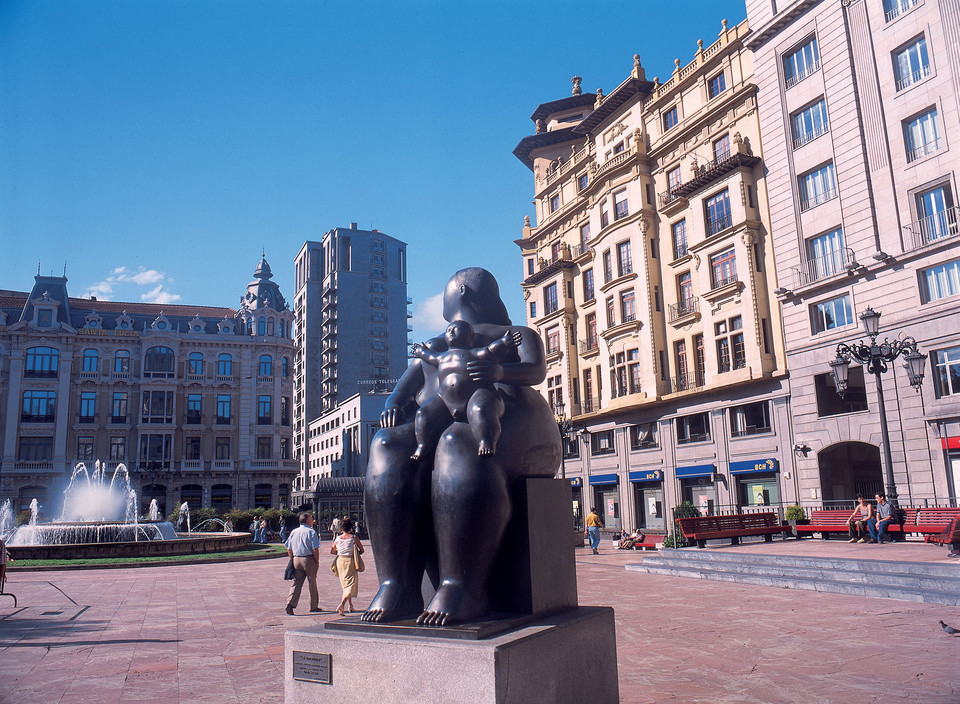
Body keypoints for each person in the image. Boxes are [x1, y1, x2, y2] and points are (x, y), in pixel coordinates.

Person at [362, 268, 561, 627]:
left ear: (463, 292)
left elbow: (536, 371)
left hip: (508, 419)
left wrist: (501, 373)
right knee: (387, 444)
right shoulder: (437, 345)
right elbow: (404, 387)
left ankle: (463, 586)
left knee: (460, 439)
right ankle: (397, 585)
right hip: (439, 419)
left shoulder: (513, 335)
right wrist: (393, 402)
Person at [409, 321, 520, 459]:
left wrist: (504, 342)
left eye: (457, 329)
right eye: (449, 329)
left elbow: (491, 350)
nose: (451, 331)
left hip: (475, 394)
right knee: (422, 414)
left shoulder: (474, 353)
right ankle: (423, 445)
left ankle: (487, 440)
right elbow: (430, 356)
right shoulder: (442, 357)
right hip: (444, 399)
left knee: (481, 410)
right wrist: (421, 351)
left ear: (470, 337)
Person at [284, 512, 322, 615]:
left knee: (297, 583)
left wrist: (292, 558)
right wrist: (316, 561)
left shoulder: (294, 532)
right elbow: (315, 549)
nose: (313, 521)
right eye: (311, 519)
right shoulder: (311, 532)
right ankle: (313, 606)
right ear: (308, 521)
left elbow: (289, 548)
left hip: (296, 559)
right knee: (312, 583)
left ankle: (290, 604)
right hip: (308, 559)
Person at [332, 517, 365, 616]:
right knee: (350, 584)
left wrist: (341, 550)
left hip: (340, 561)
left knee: (345, 584)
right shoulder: (353, 538)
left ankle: (350, 605)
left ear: (341, 528)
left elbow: (333, 551)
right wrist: (355, 553)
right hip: (350, 561)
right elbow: (362, 550)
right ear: (351, 528)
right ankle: (341, 605)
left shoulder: (338, 538)